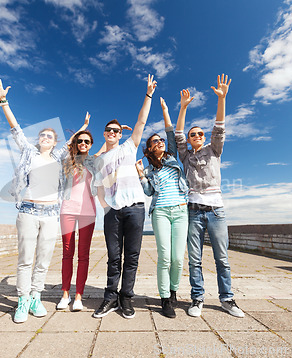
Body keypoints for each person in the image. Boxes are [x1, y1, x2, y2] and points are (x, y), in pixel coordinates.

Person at [0, 78, 70, 323]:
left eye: (50, 136)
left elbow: (75, 144)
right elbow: (16, 129)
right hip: (27, 210)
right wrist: (4, 101)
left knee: (43, 260)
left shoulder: (59, 157)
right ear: (38, 139)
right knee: (25, 259)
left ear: (55, 142)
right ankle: (22, 300)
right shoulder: (28, 152)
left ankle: (36, 296)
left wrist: (85, 126)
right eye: (42, 135)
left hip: (50, 214)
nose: (45, 137)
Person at [175, 74, 244, 318]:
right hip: (193, 210)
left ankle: (227, 299)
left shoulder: (214, 150)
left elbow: (219, 127)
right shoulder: (185, 156)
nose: (196, 136)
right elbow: (178, 134)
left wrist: (222, 99)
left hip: (216, 211)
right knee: (195, 259)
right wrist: (183, 108)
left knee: (222, 259)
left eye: (199, 134)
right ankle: (197, 298)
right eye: (193, 135)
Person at [92, 74, 157, 319]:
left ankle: (126, 298)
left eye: (116, 130)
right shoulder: (100, 160)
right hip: (113, 212)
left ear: (121, 134)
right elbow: (98, 186)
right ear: (105, 133)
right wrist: (105, 207)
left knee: (132, 256)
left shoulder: (129, 146)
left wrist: (148, 94)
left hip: (135, 209)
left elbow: (141, 121)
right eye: (108, 130)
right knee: (112, 257)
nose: (112, 132)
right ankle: (110, 298)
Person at [135, 97, 189, 318]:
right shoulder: (149, 169)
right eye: (154, 141)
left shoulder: (173, 157)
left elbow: (171, 132)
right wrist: (141, 175)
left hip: (180, 210)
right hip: (160, 213)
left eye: (160, 140)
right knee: (165, 256)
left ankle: (174, 291)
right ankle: (165, 298)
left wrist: (166, 109)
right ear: (149, 148)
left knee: (178, 257)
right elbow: (148, 193)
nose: (160, 142)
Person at [56, 117, 97, 312]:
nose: (82, 143)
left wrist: (117, 130)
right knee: (67, 253)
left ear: (91, 145)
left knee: (83, 255)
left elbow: (108, 146)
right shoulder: (68, 160)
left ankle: (79, 296)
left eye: (86, 141)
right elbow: (67, 145)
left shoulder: (94, 161)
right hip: (67, 211)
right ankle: (65, 293)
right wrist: (83, 127)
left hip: (88, 214)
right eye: (80, 141)